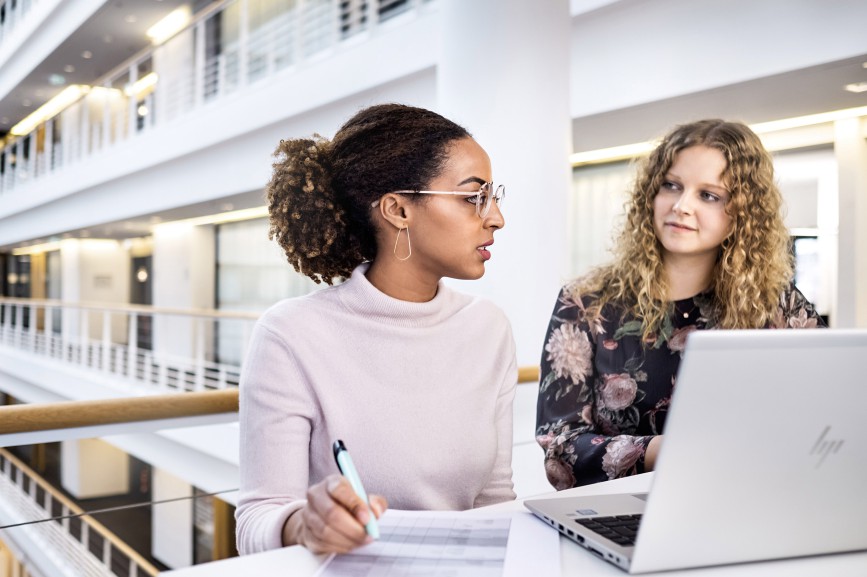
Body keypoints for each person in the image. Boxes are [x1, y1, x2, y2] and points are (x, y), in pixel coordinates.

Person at [235, 103, 516, 556]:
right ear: (398, 210)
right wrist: (303, 523)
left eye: (493, 196)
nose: (496, 217)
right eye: (472, 197)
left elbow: (494, 501)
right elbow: (257, 519)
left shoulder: (488, 328)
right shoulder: (290, 336)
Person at [536, 119, 824, 490]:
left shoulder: (777, 305)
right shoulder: (585, 302)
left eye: (709, 195)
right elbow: (559, 448)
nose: (681, 205)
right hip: (619, 512)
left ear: (743, 214)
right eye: (671, 186)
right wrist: (669, 451)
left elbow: (825, 412)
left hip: (748, 502)